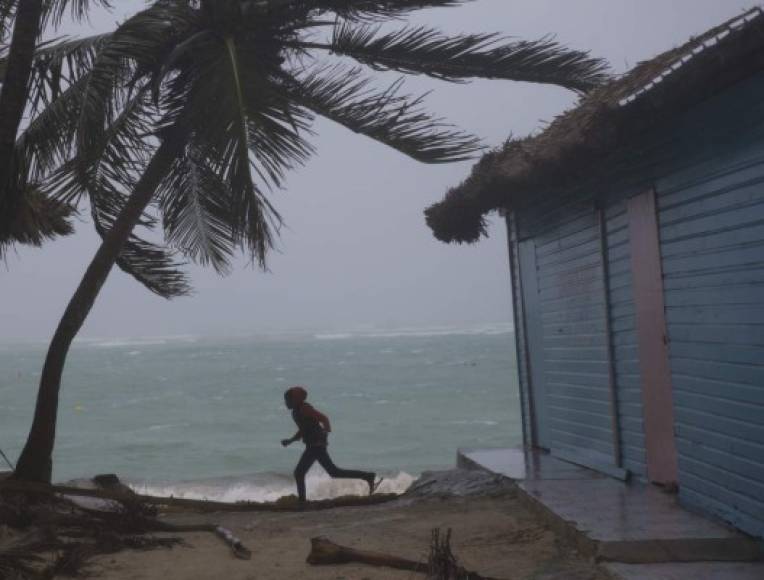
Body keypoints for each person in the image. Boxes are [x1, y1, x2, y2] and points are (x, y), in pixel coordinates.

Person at [281, 385, 381, 505]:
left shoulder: (304, 409)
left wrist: (325, 432)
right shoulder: (296, 411)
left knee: (299, 473)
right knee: (333, 472)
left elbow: (324, 418)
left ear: (295, 400)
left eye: (288, 400)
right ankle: (368, 476)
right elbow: (303, 429)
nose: (286, 403)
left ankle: (302, 502)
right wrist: (291, 440)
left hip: (316, 445)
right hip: (313, 445)